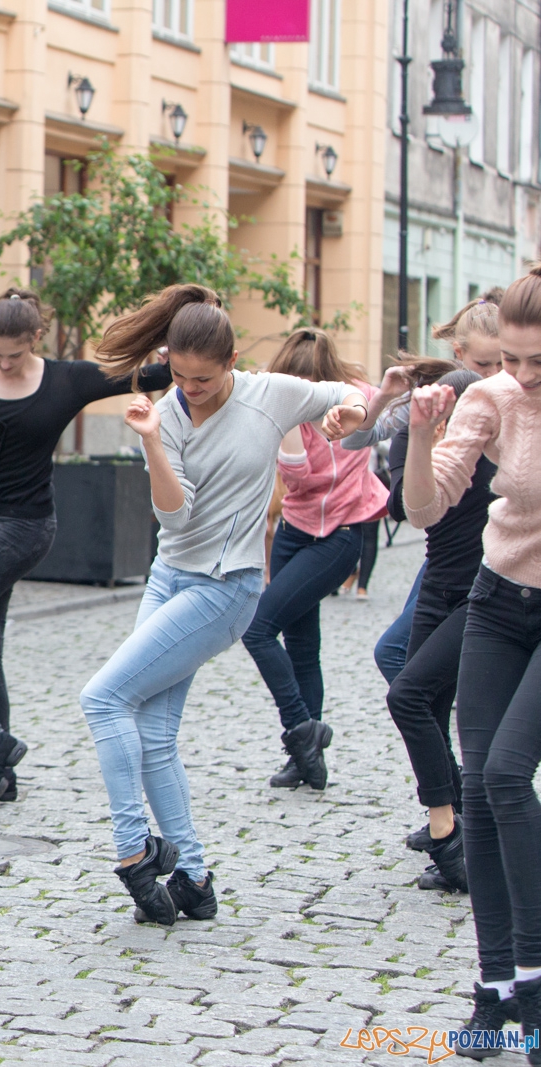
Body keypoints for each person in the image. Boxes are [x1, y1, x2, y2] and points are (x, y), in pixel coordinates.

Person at [77, 285, 365, 926]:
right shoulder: (168, 414)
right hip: (168, 577)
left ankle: (133, 852)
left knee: (102, 698)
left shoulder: (271, 395)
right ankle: (195, 879)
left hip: (226, 589)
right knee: (151, 733)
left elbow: (348, 394)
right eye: (177, 375)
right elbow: (173, 516)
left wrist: (348, 410)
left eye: (202, 378)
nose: (189, 387)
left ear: (233, 360)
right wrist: (152, 440)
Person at [0, 292, 174, 807]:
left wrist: (167, 350)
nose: (3, 363)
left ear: (35, 340)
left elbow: (149, 379)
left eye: (14, 355)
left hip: (27, 526)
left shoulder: (67, 379)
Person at [403, 266, 541, 1050]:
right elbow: (425, 507)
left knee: (500, 777)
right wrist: (422, 436)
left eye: (537, 364)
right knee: (482, 796)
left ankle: (536, 982)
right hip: (495, 601)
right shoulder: (492, 399)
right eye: (510, 359)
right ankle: (493, 994)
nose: (519, 377)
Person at [240, 328, 387, 792]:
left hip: (341, 537)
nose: (303, 392)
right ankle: (307, 758)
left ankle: (301, 730)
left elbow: (374, 412)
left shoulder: (352, 399)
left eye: (311, 383)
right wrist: (284, 418)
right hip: (293, 532)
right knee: (303, 646)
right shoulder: (283, 406)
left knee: (257, 627)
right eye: (294, 383)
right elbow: (297, 478)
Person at [356, 290, 503, 685]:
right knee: (396, 657)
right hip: (447, 556)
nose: (492, 376)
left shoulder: (515, 403)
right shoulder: (431, 403)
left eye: (502, 364)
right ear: (459, 353)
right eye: (482, 364)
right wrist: (387, 399)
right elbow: (361, 447)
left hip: (495, 560)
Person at [382, 369, 490, 895]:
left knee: (407, 696)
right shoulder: (420, 437)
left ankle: (446, 829)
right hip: (437, 587)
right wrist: (419, 432)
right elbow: (402, 505)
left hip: (481, 595)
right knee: (422, 704)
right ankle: (459, 834)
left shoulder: (497, 449)